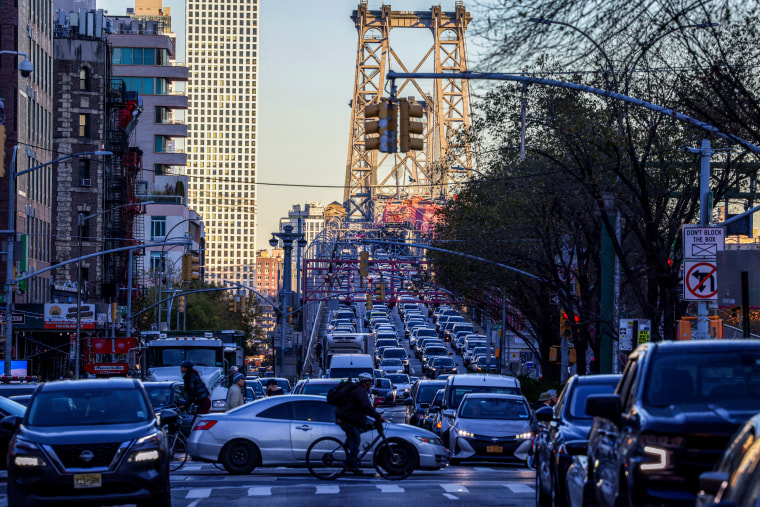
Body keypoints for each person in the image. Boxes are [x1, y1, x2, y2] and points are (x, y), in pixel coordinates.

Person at [334, 372, 387, 474]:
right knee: (356, 439)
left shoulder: (358, 390)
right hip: (345, 419)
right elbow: (366, 407)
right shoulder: (359, 391)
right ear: (365, 382)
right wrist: (377, 416)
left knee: (360, 431)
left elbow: (363, 408)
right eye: (369, 383)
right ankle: (352, 464)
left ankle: (349, 449)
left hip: (350, 418)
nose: (370, 385)